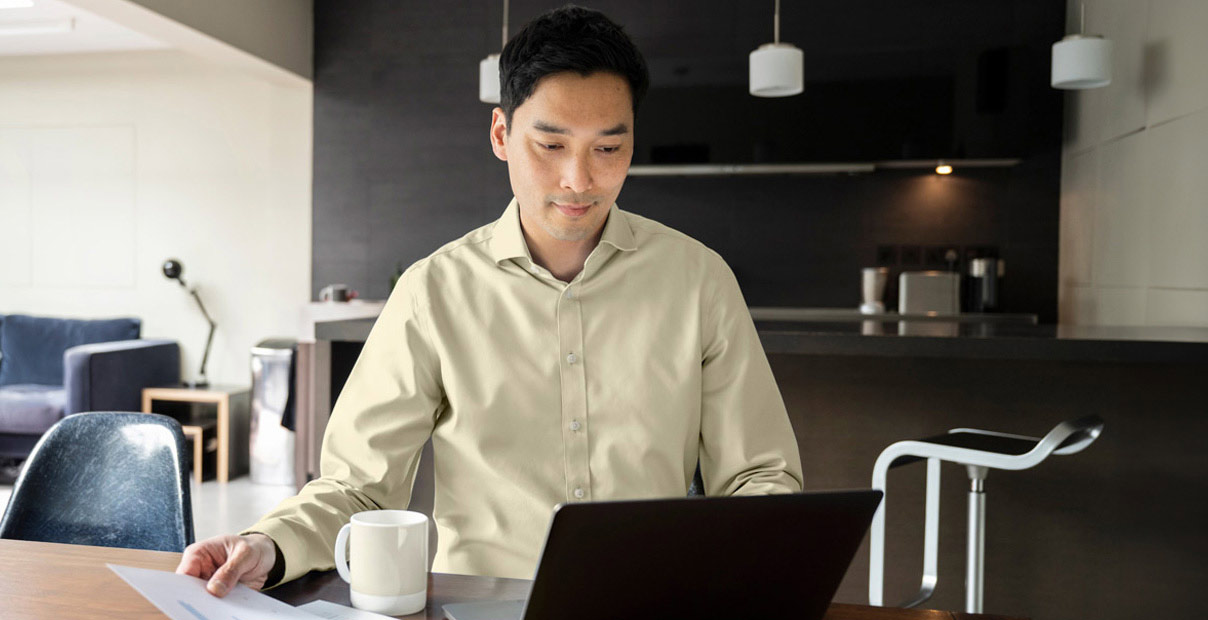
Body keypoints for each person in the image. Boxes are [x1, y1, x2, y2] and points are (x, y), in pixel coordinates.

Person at [177, 4, 803, 597]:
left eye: (607, 148)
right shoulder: (433, 292)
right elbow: (356, 489)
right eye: (550, 145)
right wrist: (267, 544)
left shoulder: (698, 280)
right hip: (478, 607)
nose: (578, 181)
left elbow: (761, 475)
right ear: (502, 133)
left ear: (632, 142)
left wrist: (735, 563)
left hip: (648, 601)